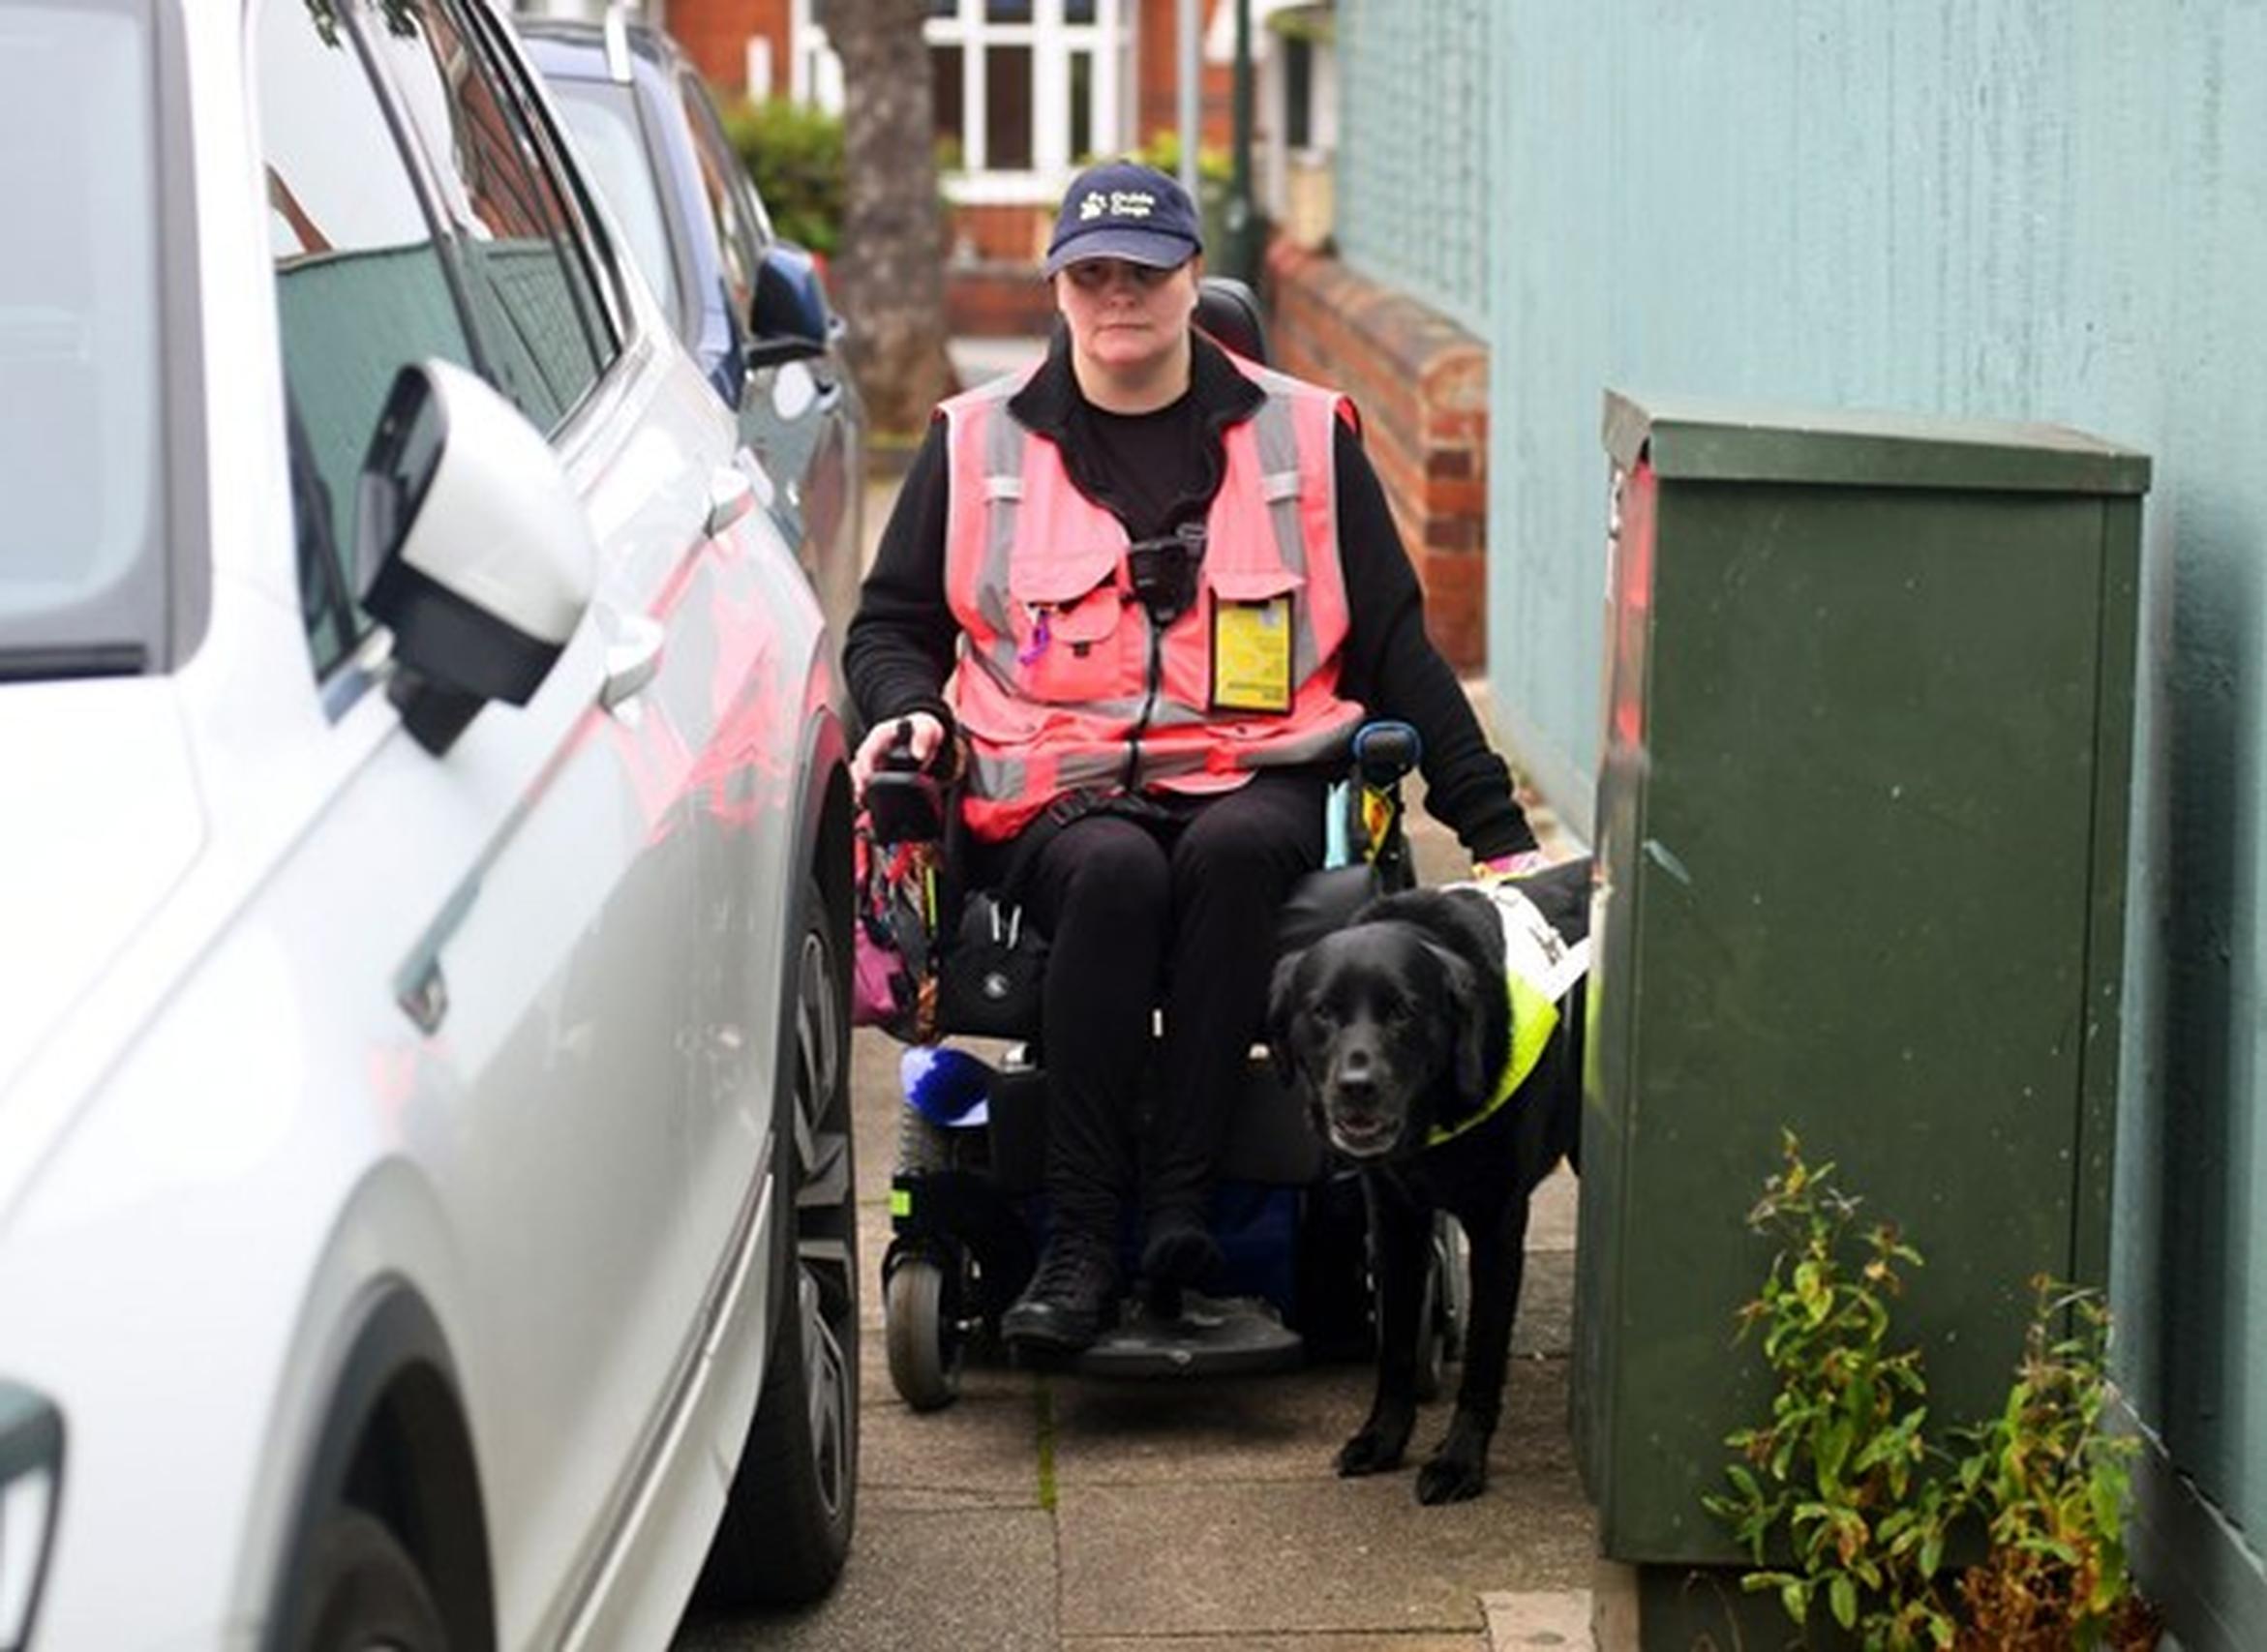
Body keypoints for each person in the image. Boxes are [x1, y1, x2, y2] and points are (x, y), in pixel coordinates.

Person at [843, 159, 1543, 1356]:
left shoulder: (1304, 437)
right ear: (1057, 289)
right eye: (1093, 275)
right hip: (1060, 790)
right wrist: (907, 709)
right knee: (1116, 874)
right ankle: (1075, 1245)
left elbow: (1393, 646)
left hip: (1256, 775)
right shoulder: (977, 445)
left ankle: (1179, 1224)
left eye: (1146, 272)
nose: (1119, 296)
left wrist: (1497, 835)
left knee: (1225, 856)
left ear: (1192, 280)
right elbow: (889, 625)